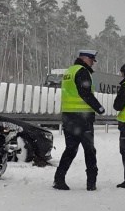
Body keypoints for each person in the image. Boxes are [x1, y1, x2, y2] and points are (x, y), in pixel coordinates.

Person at [53, 50, 106, 191]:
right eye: (91, 60)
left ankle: (59, 179)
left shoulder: (69, 71)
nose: (93, 63)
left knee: (70, 149)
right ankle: (91, 183)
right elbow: (85, 93)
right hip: (82, 118)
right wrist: (99, 108)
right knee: (89, 150)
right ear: (84, 58)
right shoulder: (82, 71)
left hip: (68, 117)